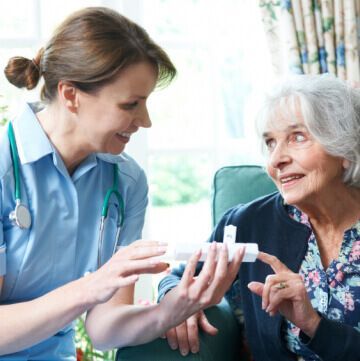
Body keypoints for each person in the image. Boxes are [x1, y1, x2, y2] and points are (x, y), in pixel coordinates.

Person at [0, 7, 245, 360]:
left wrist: (173, 309)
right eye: (131, 104)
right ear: (70, 95)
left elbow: (102, 330)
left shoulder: (125, 181)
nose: (144, 121)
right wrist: (92, 287)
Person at [158, 74, 360, 360]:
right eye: (270, 143)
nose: (276, 159)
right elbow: (179, 278)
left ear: (344, 148)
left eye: (297, 137)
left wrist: (314, 326)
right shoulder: (247, 224)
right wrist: (175, 305)